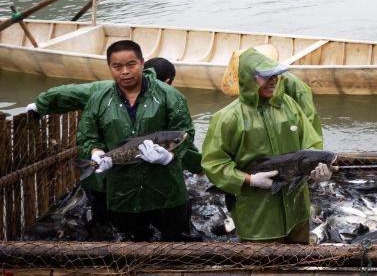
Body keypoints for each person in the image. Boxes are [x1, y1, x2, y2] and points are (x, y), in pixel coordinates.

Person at [201, 47, 329, 244]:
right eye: (266, 76)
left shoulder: (288, 105)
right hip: (258, 218)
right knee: (264, 262)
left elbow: (311, 143)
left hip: (297, 210)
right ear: (248, 79)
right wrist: (249, 180)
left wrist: (317, 170)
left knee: (299, 258)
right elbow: (214, 163)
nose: (273, 81)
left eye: (275, 75)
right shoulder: (228, 118)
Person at [76, 41, 198, 241]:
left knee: (176, 240)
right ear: (109, 67)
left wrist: (170, 156)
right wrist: (96, 152)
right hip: (122, 193)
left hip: (166, 191)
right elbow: (88, 135)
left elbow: (186, 133)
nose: (125, 71)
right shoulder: (99, 99)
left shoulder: (169, 95)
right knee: (131, 242)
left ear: (142, 63)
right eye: (117, 66)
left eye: (131, 64)